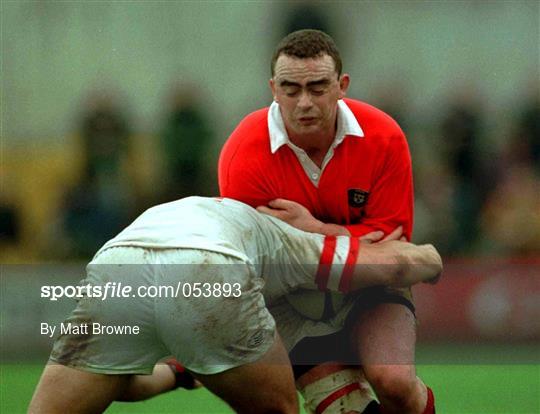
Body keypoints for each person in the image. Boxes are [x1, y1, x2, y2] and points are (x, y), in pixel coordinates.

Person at [29, 196, 442, 414]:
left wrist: (178, 374)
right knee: (280, 408)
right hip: (207, 265)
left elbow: (122, 382)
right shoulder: (288, 239)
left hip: (118, 263)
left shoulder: (190, 210)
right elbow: (391, 264)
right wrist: (431, 259)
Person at [219, 29, 434, 413]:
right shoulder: (243, 153)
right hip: (292, 298)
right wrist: (350, 236)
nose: (304, 102)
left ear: (342, 86)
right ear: (273, 88)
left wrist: (313, 230)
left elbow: (393, 244)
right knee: (343, 406)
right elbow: (256, 258)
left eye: (318, 88)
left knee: (396, 384)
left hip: (369, 284)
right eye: (290, 88)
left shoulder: (384, 137)